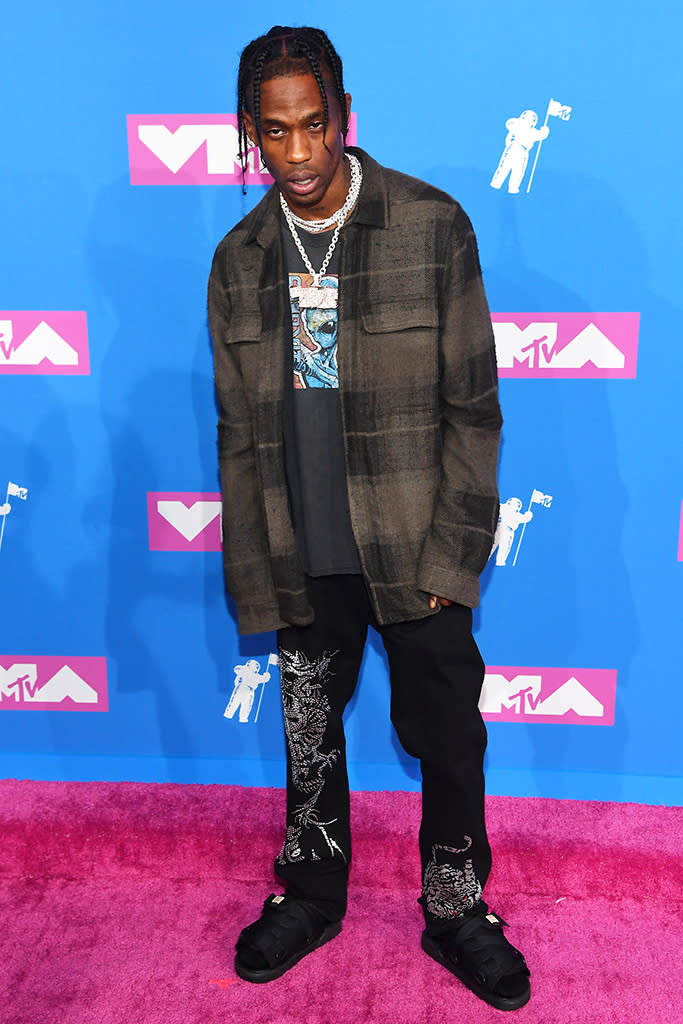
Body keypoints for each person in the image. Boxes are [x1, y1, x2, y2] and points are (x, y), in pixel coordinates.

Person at [208, 26, 530, 1012]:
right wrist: (261, 563)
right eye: (275, 132)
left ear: (344, 117)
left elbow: (473, 411)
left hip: (413, 542)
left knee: (445, 734)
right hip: (307, 546)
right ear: (249, 136)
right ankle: (311, 891)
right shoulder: (239, 261)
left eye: (314, 126)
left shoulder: (430, 227)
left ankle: (455, 906)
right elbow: (237, 435)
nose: (298, 154)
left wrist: (453, 548)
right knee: (309, 734)